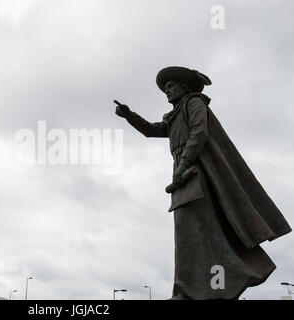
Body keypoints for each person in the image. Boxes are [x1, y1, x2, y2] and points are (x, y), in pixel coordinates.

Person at [115, 66, 292, 299]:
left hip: (199, 173)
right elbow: (151, 130)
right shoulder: (175, 114)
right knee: (186, 233)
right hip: (183, 173)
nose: (167, 91)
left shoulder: (194, 103)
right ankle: (187, 290)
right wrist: (130, 115)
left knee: (204, 231)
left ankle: (203, 289)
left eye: (171, 86)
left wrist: (183, 165)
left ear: (184, 86)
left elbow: (199, 133)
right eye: (165, 88)